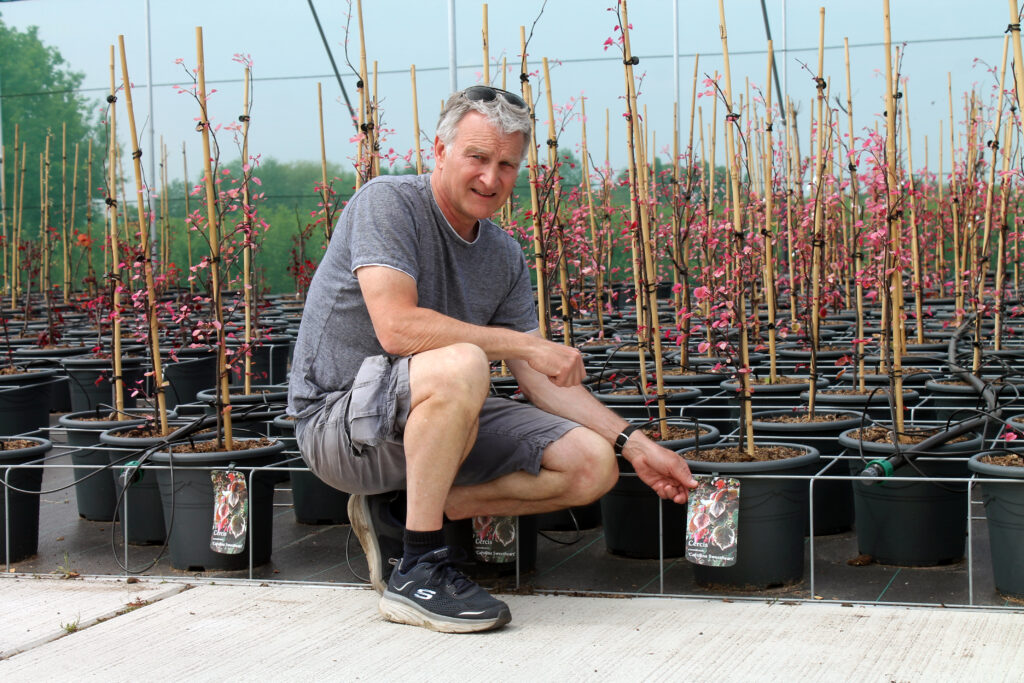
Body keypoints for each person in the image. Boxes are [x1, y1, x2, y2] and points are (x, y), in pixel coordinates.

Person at [287, 85, 697, 633]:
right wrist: (526, 343)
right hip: (343, 426)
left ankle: (398, 516)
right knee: (464, 363)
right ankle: (418, 570)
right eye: (477, 158)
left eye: (507, 164)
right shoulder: (388, 203)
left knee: (591, 464)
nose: (491, 178)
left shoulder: (503, 254)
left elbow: (543, 381)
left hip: (437, 418)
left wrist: (635, 444)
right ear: (440, 150)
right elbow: (397, 328)